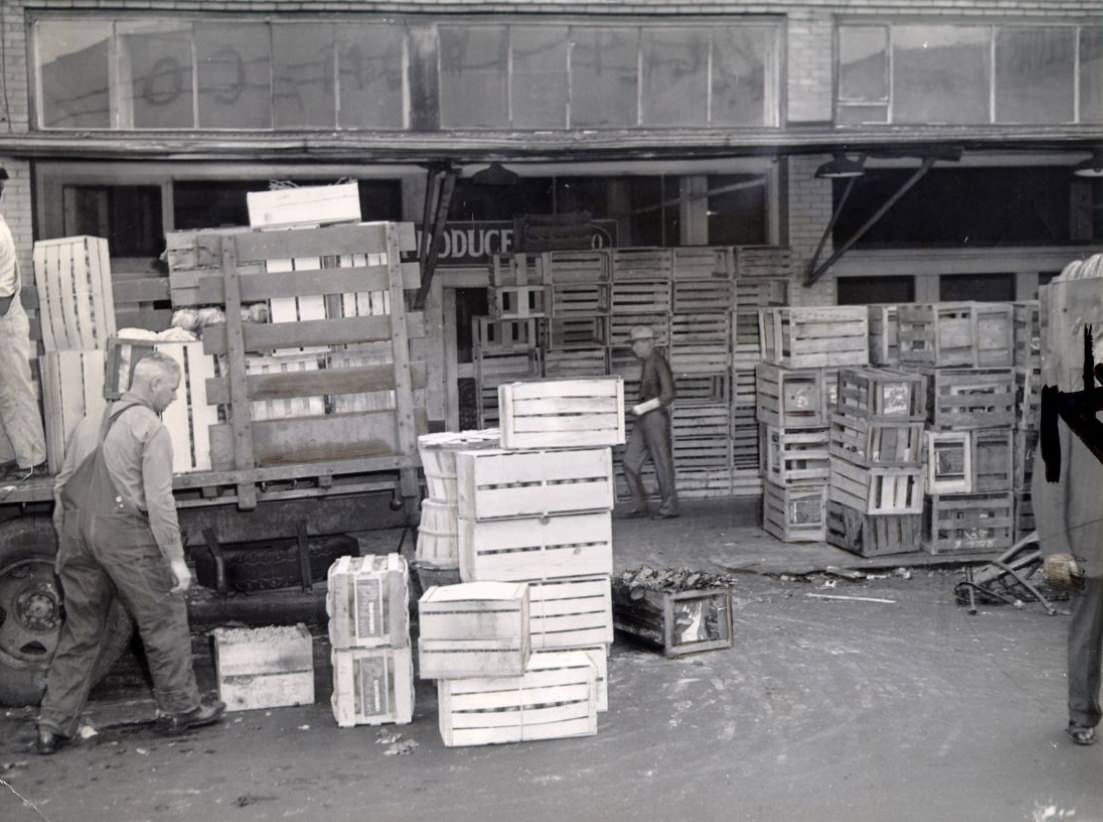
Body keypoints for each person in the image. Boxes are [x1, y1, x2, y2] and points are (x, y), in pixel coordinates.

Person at [36, 353, 223, 754]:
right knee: (164, 616)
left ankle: (53, 725)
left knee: (81, 631)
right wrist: (175, 560)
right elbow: (159, 502)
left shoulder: (88, 422)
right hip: (123, 536)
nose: (174, 397)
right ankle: (180, 708)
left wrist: (66, 542)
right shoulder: (150, 428)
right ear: (154, 385)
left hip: (76, 533)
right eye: (173, 388)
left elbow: (63, 485)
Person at [1033, 333, 1103, 747]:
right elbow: (1049, 482)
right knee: (1086, 637)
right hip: (1087, 548)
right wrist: (1055, 550)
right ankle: (1082, 715)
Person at [0, 166, 47, 480]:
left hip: (4, 319)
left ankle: (32, 459)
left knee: (14, 389)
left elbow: (3, 296)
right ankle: (9, 458)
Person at [622, 325, 679, 519]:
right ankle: (640, 505)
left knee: (662, 462)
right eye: (633, 344)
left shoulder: (658, 362)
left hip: (655, 418)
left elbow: (668, 395)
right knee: (630, 461)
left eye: (636, 344)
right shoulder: (647, 362)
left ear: (649, 343)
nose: (634, 348)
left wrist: (641, 408)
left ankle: (669, 507)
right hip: (643, 418)